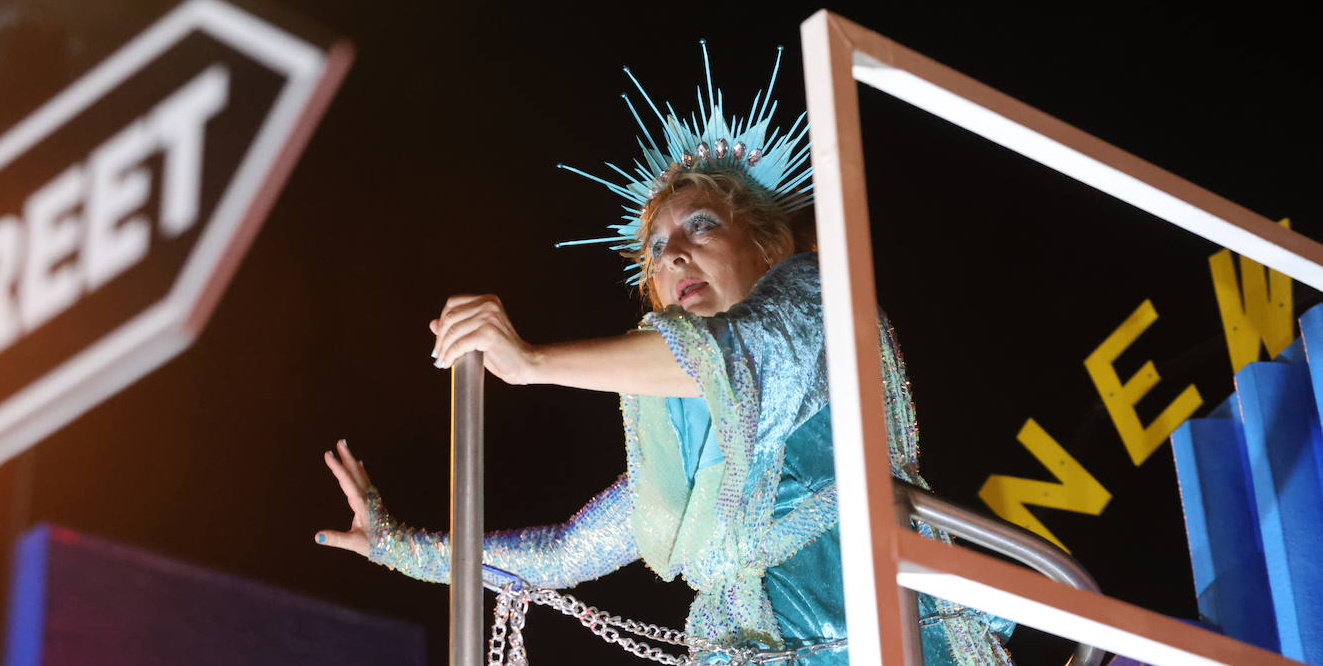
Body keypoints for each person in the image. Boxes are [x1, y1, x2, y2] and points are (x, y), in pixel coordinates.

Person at [316, 45, 1014, 664]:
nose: (674, 252)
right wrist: (397, 547)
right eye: (656, 248)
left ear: (767, 245)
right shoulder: (688, 455)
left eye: (702, 225)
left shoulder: (813, 298)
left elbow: (727, 359)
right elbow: (562, 553)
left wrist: (529, 361)